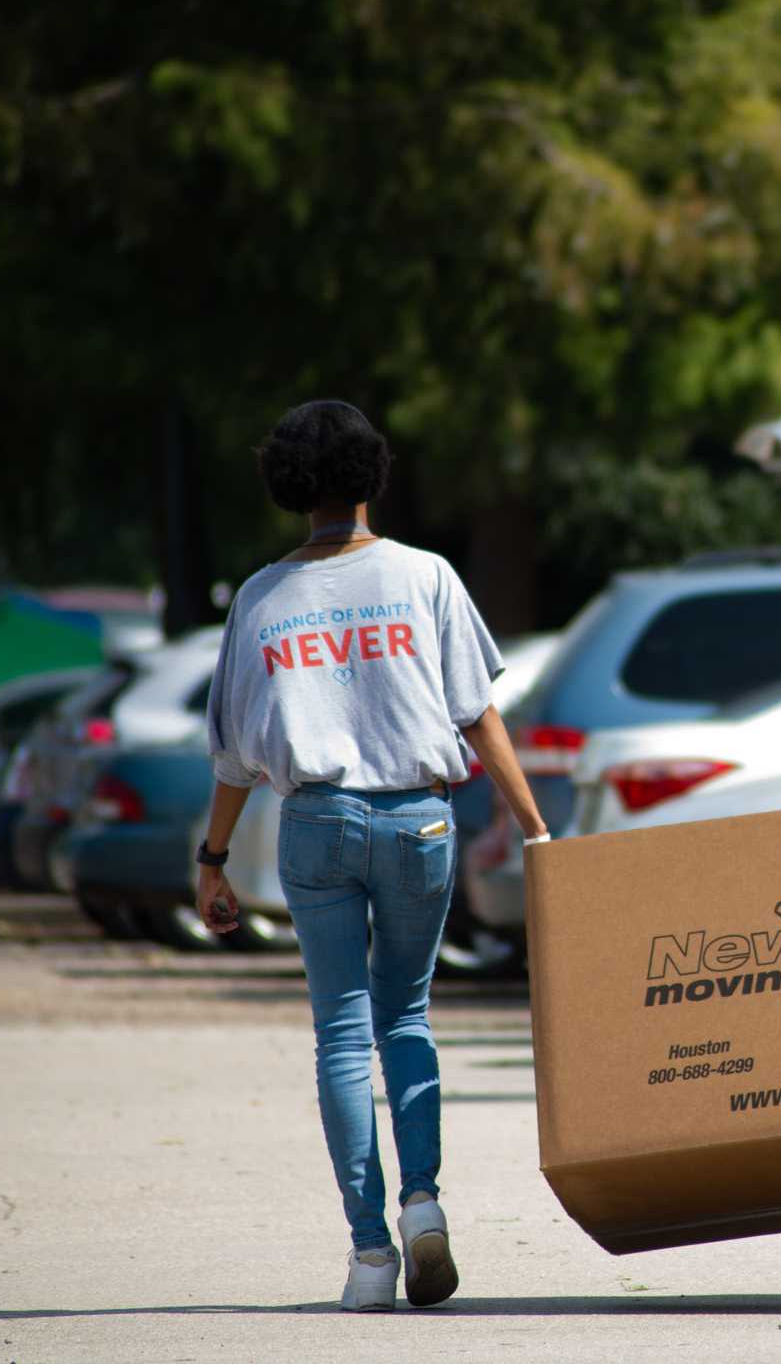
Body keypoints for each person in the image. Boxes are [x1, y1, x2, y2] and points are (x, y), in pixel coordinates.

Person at [195, 400, 550, 1308]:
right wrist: (536, 829)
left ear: (287, 485)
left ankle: (368, 1257)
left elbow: (235, 752)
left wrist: (215, 856)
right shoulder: (425, 577)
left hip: (314, 823)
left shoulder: (260, 598)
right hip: (420, 825)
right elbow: (479, 714)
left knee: (342, 1031)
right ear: (371, 474)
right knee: (408, 1017)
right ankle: (423, 1204)